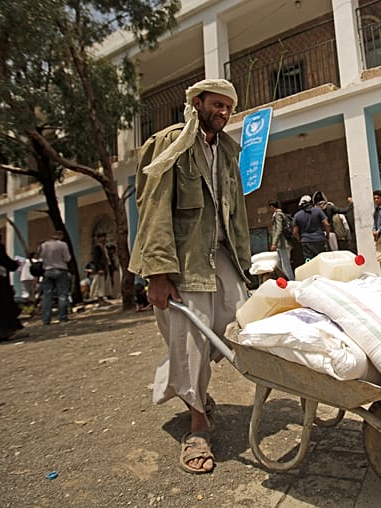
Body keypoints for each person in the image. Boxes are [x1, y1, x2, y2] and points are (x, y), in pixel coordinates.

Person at [129, 78, 251, 475]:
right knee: (191, 338)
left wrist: (246, 263)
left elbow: (237, 213)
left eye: (229, 108)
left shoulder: (228, 151)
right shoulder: (169, 143)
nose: (224, 113)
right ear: (196, 103)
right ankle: (198, 425)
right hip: (182, 260)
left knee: (241, 321)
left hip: (222, 254)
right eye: (217, 105)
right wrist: (158, 273)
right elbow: (153, 207)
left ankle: (186, 382)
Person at [38, 230, 72, 325]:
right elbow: (67, 258)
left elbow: (40, 257)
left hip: (47, 271)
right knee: (62, 294)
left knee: (47, 295)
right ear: (60, 236)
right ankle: (62, 317)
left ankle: (46, 319)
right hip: (61, 270)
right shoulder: (63, 245)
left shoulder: (44, 245)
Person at [292, 194, 330, 261]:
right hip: (320, 239)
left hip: (306, 242)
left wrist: (300, 239)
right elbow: (327, 224)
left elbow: (295, 232)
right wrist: (327, 235)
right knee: (323, 260)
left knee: (309, 261)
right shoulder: (318, 211)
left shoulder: (297, 215)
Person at [267, 200, 295, 280]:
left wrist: (274, 243)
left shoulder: (278, 215)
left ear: (272, 207)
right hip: (280, 244)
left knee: (285, 265)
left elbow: (279, 229)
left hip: (283, 243)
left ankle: (292, 281)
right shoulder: (278, 214)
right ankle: (286, 279)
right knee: (279, 264)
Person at [90, 232, 110, 303]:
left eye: (104, 237)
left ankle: (102, 298)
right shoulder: (97, 247)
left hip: (105, 267)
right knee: (99, 284)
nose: (104, 239)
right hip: (100, 268)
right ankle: (99, 299)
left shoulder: (104, 247)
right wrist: (99, 268)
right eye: (102, 237)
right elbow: (96, 259)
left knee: (103, 284)